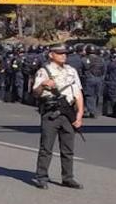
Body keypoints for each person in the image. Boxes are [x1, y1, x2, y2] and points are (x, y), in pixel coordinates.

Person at [31, 45, 84, 190]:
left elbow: (78, 92)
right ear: (51, 55)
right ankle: (41, 177)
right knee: (46, 147)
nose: (63, 56)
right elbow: (35, 93)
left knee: (68, 148)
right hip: (51, 113)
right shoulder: (44, 71)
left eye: (65, 53)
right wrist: (43, 85)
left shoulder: (71, 71)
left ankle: (68, 177)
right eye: (59, 53)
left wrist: (79, 114)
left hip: (68, 112)